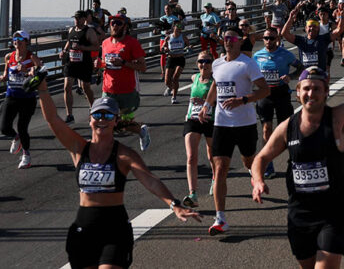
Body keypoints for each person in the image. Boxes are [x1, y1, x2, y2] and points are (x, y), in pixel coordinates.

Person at [251, 44, 344, 269]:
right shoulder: (288, 127)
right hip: (299, 214)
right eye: (307, 88)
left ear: (326, 92)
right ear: (297, 91)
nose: (311, 93)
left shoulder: (338, 117)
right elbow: (261, 158)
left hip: (332, 213)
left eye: (317, 88)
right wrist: (258, 181)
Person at [37, 83, 201, 267]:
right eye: (97, 115)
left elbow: (150, 180)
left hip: (115, 230)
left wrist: (174, 204)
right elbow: (52, 119)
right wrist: (43, 89)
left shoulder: (125, 155)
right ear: (90, 119)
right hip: (83, 229)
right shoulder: (78, 148)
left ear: (116, 120)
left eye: (107, 115)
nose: (102, 120)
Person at [198, 28, 271, 235]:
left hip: (245, 123)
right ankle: (220, 219)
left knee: (248, 160)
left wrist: (243, 100)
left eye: (232, 39)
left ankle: (252, 172)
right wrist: (206, 106)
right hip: (221, 124)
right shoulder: (218, 63)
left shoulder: (247, 64)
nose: (228, 42)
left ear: (240, 42)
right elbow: (215, 85)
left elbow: (265, 90)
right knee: (220, 169)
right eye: (225, 38)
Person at [253, 26, 301, 178]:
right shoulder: (257, 55)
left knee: (287, 130)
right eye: (266, 38)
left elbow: (300, 67)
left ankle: (294, 161)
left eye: (271, 38)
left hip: (281, 94)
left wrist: (291, 77)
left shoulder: (286, 54)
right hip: (265, 95)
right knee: (266, 129)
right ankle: (268, 164)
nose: (268, 41)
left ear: (277, 40)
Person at [98, 14, 151, 151]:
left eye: (118, 23)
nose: (114, 26)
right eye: (112, 23)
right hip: (108, 90)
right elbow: (105, 64)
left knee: (125, 124)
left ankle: (141, 131)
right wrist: (99, 65)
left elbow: (143, 67)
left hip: (126, 91)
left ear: (125, 27)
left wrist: (123, 63)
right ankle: (106, 152)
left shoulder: (132, 43)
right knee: (105, 122)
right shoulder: (105, 43)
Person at [2, 31, 41, 168]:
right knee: (4, 127)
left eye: (20, 38)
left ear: (26, 41)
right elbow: (6, 75)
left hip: (27, 98)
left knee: (22, 127)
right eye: (15, 38)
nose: (17, 41)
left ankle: (26, 155)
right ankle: (15, 137)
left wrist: (28, 71)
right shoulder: (9, 56)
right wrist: (2, 77)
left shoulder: (32, 58)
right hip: (11, 96)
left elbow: (40, 73)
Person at [182, 52, 216, 208]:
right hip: (193, 120)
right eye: (201, 61)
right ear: (197, 63)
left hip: (210, 120)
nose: (204, 64)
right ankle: (192, 193)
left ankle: (215, 180)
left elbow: (220, 101)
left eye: (207, 61)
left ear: (212, 63)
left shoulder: (216, 81)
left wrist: (203, 102)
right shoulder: (194, 78)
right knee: (191, 157)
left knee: (212, 156)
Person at [62, 10, 100, 123]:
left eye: (79, 18)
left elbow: (96, 47)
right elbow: (68, 42)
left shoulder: (89, 31)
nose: (77, 21)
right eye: (75, 18)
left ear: (84, 19)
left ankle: (93, 108)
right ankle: (69, 115)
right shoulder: (71, 30)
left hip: (84, 64)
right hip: (71, 63)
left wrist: (82, 47)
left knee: (85, 88)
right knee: (67, 87)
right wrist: (64, 51)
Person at [160, 22, 190, 104]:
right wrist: (165, 49)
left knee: (175, 78)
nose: (178, 30)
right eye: (177, 28)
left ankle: (174, 97)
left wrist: (188, 48)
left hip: (180, 58)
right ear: (173, 28)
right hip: (171, 59)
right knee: (167, 80)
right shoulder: (168, 37)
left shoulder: (183, 37)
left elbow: (188, 45)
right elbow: (163, 47)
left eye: (180, 28)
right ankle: (171, 88)